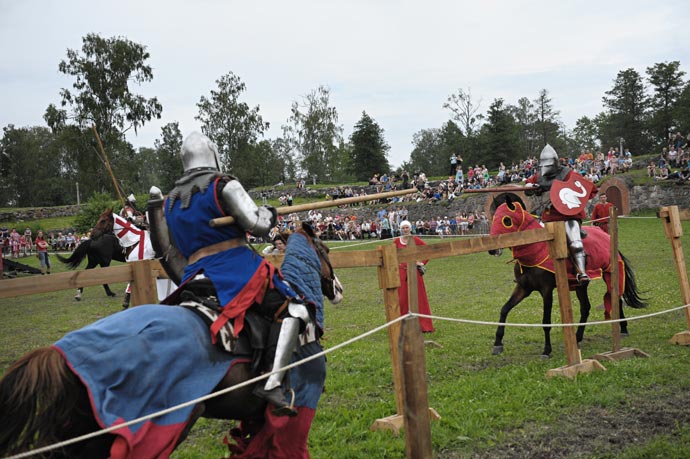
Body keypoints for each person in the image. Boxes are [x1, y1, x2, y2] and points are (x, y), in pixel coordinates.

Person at [159, 131, 310, 417]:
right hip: (234, 269)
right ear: (212, 154)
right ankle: (273, 382)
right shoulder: (223, 185)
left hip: (194, 273)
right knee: (296, 308)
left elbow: (171, 246)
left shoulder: (171, 200)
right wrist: (269, 213)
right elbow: (257, 225)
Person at [526, 144, 598, 285]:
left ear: (555, 163)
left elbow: (590, 190)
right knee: (535, 241)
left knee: (575, 243)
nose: (545, 168)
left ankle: (581, 272)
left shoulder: (569, 174)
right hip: (548, 217)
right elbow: (528, 185)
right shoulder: (539, 176)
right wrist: (530, 187)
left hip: (568, 216)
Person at [394, 220, 434, 332]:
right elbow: (391, 255)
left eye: (407, 228)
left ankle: (423, 325)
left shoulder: (415, 240)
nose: (405, 230)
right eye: (403, 228)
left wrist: (420, 262)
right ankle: (403, 325)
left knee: (419, 297)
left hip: (415, 273)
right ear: (400, 229)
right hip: (402, 274)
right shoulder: (396, 241)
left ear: (410, 228)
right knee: (402, 298)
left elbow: (428, 251)